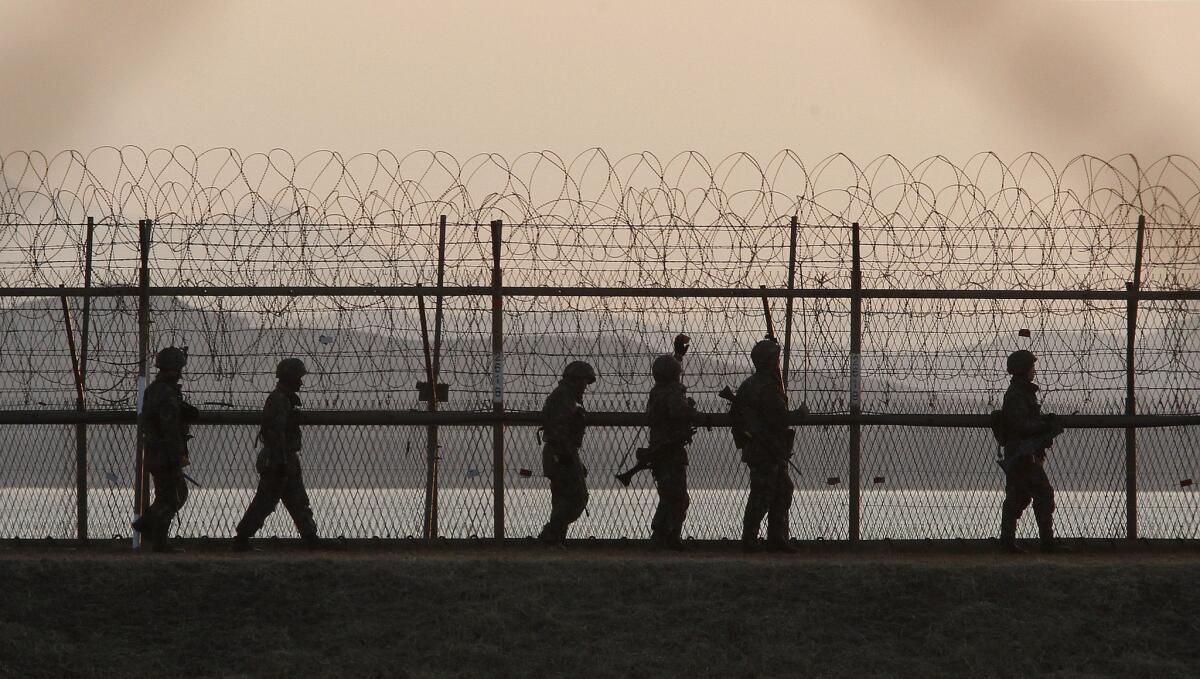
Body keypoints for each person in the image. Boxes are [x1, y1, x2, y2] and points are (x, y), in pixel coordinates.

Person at [232, 358, 326, 551]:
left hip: (285, 457)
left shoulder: (284, 399)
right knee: (266, 501)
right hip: (278, 458)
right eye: (298, 378)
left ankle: (310, 536)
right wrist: (281, 460)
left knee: (297, 499)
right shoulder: (279, 400)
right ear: (290, 378)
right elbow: (275, 432)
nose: (301, 382)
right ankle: (242, 538)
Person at [999, 350, 1067, 554]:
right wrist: (1043, 426)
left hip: (1023, 453)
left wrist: (1044, 423)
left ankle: (1008, 543)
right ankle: (1046, 543)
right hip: (1022, 455)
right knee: (1042, 494)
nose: (1034, 371)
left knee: (1019, 496)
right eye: (1031, 367)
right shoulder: (1018, 395)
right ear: (1024, 370)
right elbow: (1021, 425)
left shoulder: (1022, 393)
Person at [133, 346, 199, 553]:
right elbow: (169, 425)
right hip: (165, 452)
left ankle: (158, 539)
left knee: (170, 495)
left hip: (157, 451)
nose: (180, 373)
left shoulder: (156, 390)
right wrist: (177, 454)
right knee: (173, 496)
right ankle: (146, 525)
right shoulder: (166, 393)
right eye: (178, 368)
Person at [735, 338, 796, 553]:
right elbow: (779, 417)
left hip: (760, 447)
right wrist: (799, 415)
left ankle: (775, 537)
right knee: (763, 494)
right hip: (766, 448)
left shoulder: (748, 385)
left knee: (781, 490)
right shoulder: (768, 388)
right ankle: (751, 540)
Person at [536, 361, 596, 547]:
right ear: (575, 380)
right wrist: (567, 457)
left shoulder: (566, 397)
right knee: (577, 498)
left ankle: (555, 538)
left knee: (563, 498)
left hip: (562, 452)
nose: (585, 387)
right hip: (560, 453)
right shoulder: (563, 398)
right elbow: (558, 430)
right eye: (584, 382)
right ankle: (551, 534)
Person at [645, 354, 699, 550]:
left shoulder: (658, 392)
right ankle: (665, 536)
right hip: (670, 451)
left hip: (663, 449)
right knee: (677, 498)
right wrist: (692, 412)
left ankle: (666, 535)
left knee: (671, 496)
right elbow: (679, 412)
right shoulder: (672, 393)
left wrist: (677, 355)